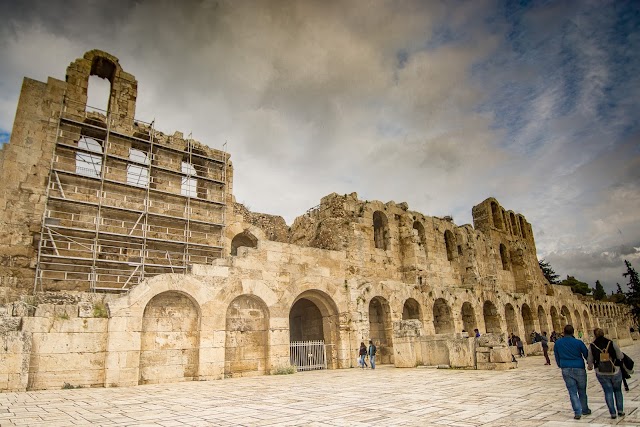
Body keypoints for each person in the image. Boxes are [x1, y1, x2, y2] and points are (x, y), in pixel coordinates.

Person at [554, 324, 591, 420]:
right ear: (573, 332)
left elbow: (557, 356)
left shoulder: (558, 343)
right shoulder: (578, 342)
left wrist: (560, 365)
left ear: (564, 332)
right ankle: (585, 409)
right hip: (579, 368)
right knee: (582, 390)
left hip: (566, 368)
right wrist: (589, 363)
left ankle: (577, 412)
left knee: (572, 392)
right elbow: (586, 354)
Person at [588, 328, 624, 419]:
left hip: (601, 372)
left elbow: (590, 360)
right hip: (614, 370)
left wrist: (590, 366)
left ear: (595, 335)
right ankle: (620, 411)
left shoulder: (592, 345)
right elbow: (620, 356)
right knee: (618, 391)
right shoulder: (611, 343)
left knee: (608, 392)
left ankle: (612, 413)